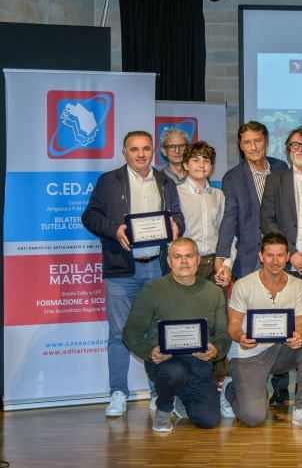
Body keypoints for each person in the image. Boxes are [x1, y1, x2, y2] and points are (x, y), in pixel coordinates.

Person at [81, 130, 185, 417]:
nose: (141, 154)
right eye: (134, 149)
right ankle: (118, 393)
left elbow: (177, 215)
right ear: (124, 153)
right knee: (118, 334)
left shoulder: (165, 181)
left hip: (158, 268)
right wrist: (115, 229)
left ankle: (157, 392)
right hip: (121, 268)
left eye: (146, 149)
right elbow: (89, 216)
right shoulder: (109, 181)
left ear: (153, 152)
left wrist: (177, 226)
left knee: (157, 331)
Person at [215, 120, 291, 406]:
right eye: (247, 142)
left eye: (257, 140)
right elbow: (229, 220)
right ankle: (253, 383)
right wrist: (223, 258)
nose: (253, 146)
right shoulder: (233, 178)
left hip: (281, 258)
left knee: (281, 318)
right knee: (251, 323)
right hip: (249, 260)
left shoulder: (281, 168)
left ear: (266, 140)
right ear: (240, 146)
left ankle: (281, 385)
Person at [122, 237, 229, 432]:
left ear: (198, 259)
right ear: (169, 261)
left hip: (198, 363)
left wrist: (215, 351)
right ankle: (164, 408)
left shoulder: (214, 293)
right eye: (178, 257)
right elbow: (131, 331)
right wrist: (149, 352)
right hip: (165, 363)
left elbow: (223, 334)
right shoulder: (152, 291)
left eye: (189, 256)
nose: (184, 261)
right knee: (175, 372)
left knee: (208, 420)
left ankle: (180, 394)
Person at [220, 231, 302, 429]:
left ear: (287, 256)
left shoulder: (298, 285)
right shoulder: (244, 285)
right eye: (269, 255)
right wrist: (241, 337)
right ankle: (230, 388)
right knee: (254, 418)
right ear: (261, 256)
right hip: (247, 355)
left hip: (278, 352)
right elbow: (233, 325)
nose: (275, 261)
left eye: (280, 255)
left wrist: (299, 335)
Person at [259, 126, 302, 403]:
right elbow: (267, 220)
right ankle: (279, 387)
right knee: (282, 324)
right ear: (288, 150)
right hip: (285, 265)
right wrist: (292, 253)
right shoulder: (275, 180)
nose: (300, 149)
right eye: (294, 145)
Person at [177, 141, 233, 383]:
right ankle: (190, 381)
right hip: (188, 266)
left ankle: (219, 381)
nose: (201, 164)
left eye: (206, 160)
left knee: (219, 323)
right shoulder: (175, 194)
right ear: (185, 164)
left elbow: (228, 234)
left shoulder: (219, 196)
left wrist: (226, 264)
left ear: (212, 166)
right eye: (196, 160)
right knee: (188, 320)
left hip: (215, 264)